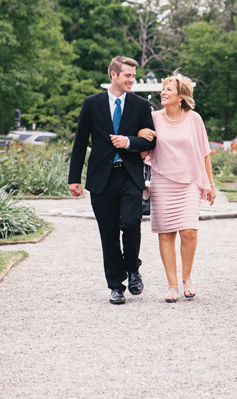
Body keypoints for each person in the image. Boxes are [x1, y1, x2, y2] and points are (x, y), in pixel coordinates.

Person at [68, 56, 156, 305]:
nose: (132, 80)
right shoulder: (92, 104)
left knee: (130, 223)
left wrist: (128, 141)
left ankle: (133, 269)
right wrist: (74, 178)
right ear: (113, 75)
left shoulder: (140, 106)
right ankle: (116, 286)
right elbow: (80, 142)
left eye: (134, 76)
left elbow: (151, 140)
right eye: (128, 75)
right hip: (101, 178)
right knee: (108, 233)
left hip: (129, 175)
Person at [138, 70, 217, 303]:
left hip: (190, 181)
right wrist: (141, 133)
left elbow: (205, 153)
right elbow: (144, 150)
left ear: (181, 96)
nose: (163, 92)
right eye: (163, 89)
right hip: (162, 181)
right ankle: (172, 286)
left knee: (189, 231)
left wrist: (210, 185)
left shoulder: (195, 119)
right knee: (166, 234)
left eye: (168, 89)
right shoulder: (153, 118)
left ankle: (187, 278)